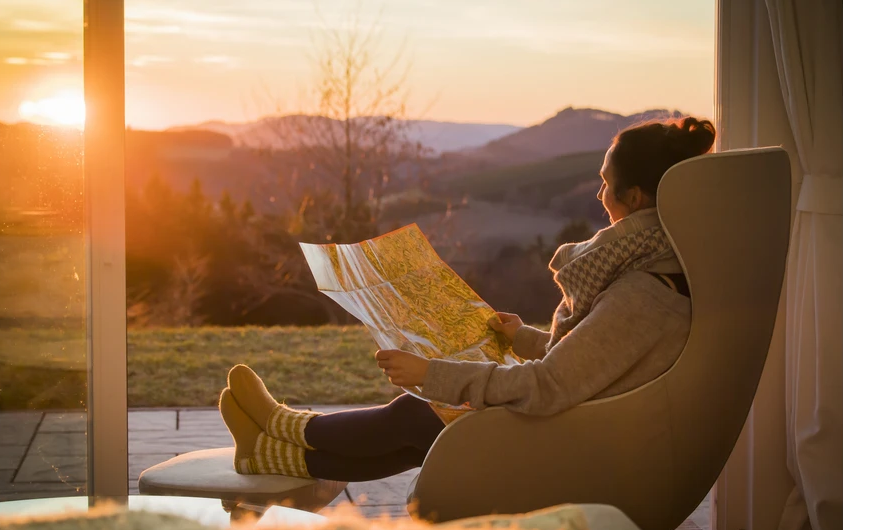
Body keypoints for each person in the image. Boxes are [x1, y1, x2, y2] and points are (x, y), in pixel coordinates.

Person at [218, 116, 716, 482]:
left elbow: (548, 386)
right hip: (580, 426)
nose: (600, 195)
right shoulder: (649, 273)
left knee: (420, 415)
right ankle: (263, 454)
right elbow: (596, 363)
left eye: (606, 183)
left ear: (635, 198)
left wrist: (429, 374)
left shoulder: (646, 293)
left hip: (578, 448)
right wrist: (522, 336)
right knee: (421, 432)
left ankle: (281, 425)